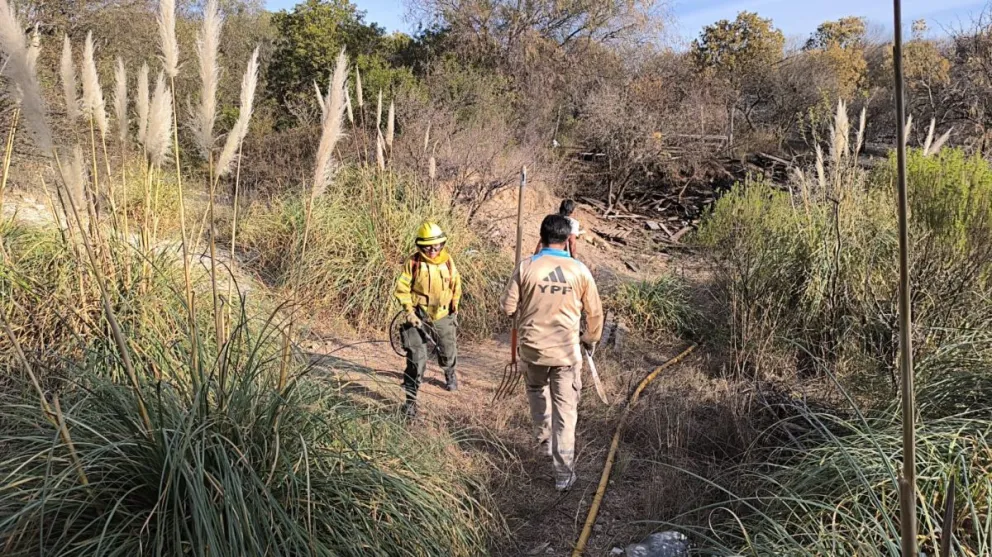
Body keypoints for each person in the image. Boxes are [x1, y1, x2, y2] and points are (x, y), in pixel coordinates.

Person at [501, 214, 604, 491]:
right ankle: (563, 475)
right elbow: (595, 313)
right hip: (565, 354)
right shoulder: (579, 270)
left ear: (542, 236)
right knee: (565, 413)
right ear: (568, 239)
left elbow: (508, 307)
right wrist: (589, 339)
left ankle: (544, 441)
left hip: (532, 350)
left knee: (536, 391)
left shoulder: (526, 266)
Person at [394, 222, 462, 419]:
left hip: (443, 314)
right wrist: (409, 311)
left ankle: (449, 373)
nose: (432, 250)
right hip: (418, 314)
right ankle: (410, 401)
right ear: (420, 246)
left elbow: (456, 285)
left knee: (447, 349)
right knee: (416, 357)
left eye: (436, 245)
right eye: (427, 246)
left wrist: (454, 309)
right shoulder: (413, 263)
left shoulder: (448, 261)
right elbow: (402, 289)